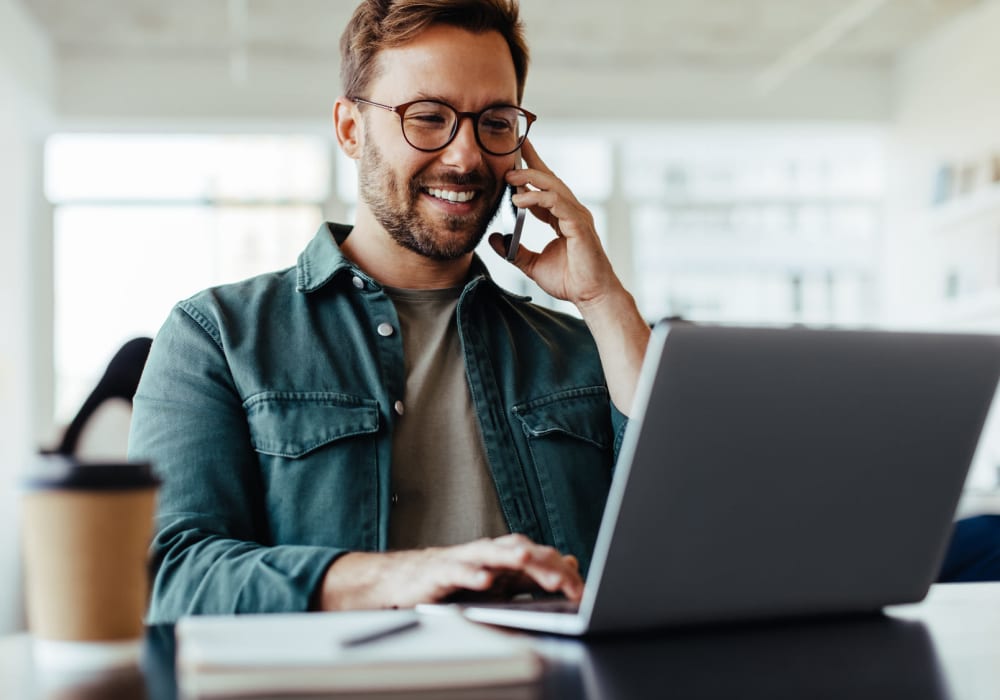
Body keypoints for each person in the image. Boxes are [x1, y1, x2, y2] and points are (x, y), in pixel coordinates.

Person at [129, 0, 650, 623]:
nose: (465, 157)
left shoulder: (581, 350)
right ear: (351, 129)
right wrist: (403, 574)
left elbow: (689, 529)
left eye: (495, 122)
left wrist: (603, 300)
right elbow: (169, 577)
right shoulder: (217, 337)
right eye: (428, 118)